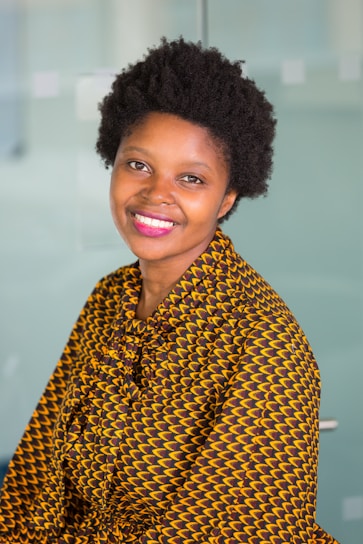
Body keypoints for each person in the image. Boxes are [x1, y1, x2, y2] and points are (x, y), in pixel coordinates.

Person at [0, 37, 338, 544]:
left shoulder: (263, 345)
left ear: (228, 198)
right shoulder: (108, 299)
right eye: (138, 164)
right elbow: (37, 477)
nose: (156, 195)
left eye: (191, 179)